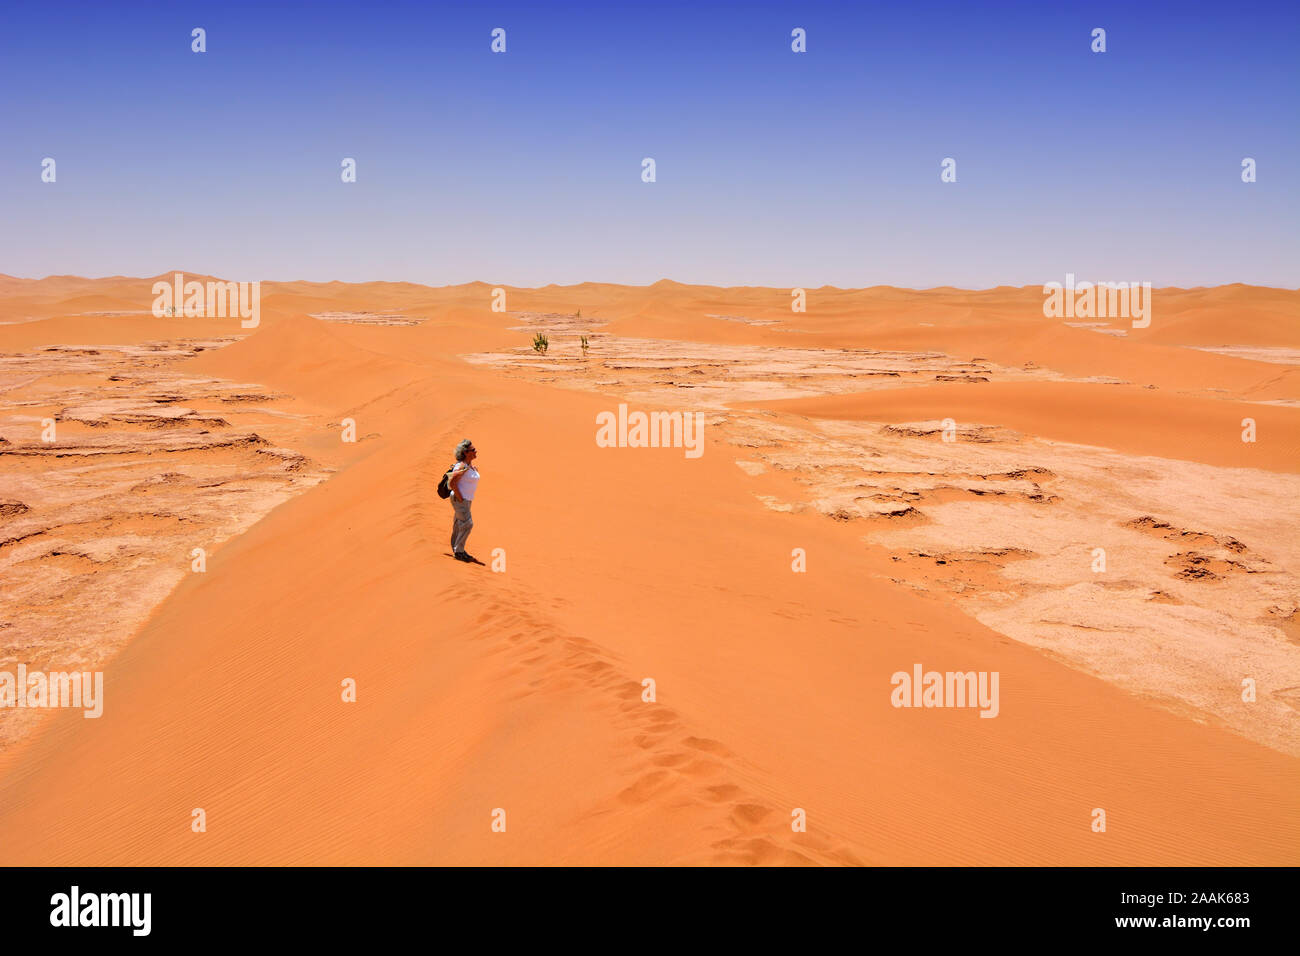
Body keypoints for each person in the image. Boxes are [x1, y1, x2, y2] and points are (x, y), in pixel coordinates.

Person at [448, 439, 479, 562]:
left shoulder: (468, 466)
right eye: (473, 450)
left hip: (466, 499)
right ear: (466, 452)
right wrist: (460, 498)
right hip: (461, 499)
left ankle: (456, 548)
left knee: (459, 524)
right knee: (467, 524)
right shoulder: (461, 466)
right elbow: (452, 482)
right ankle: (459, 551)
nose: (476, 451)